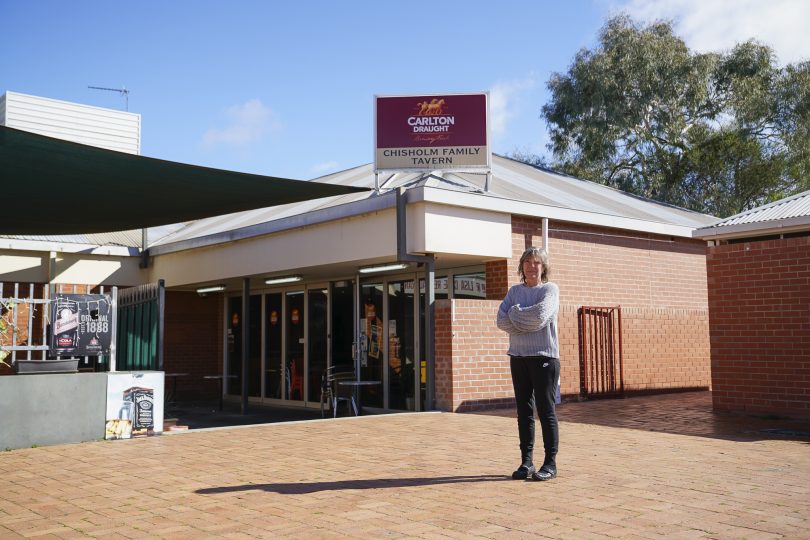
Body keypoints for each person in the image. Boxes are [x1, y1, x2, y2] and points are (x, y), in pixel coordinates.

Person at [496, 247, 560, 481]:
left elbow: (540, 316)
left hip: (544, 358)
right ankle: (526, 462)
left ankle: (550, 463)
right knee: (523, 411)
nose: (532, 266)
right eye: (527, 262)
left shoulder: (550, 290)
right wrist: (520, 318)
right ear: (522, 266)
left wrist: (515, 315)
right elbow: (501, 321)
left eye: (537, 263)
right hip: (519, 357)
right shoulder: (514, 292)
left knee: (545, 410)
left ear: (543, 267)